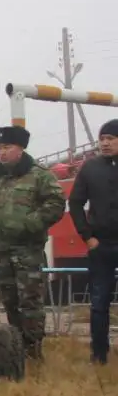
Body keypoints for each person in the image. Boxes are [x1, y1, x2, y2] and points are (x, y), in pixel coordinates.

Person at [0, 125, 65, 360]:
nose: (2, 152)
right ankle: (16, 350)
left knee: (30, 303)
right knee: (10, 302)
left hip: (27, 251)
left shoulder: (39, 175)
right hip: (1, 251)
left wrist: (28, 223)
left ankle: (33, 352)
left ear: (20, 148)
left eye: (7, 147)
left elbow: (56, 204)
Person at [68, 119, 118, 365]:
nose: (105, 143)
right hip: (101, 245)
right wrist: (87, 236)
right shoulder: (90, 168)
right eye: (102, 139)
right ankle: (99, 356)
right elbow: (75, 203)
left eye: (111, 139)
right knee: (99, 303)